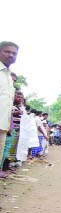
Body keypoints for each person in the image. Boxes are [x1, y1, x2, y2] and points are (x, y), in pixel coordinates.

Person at [0, 41, 19, 178]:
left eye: (14, 53)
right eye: (7, 51)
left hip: (3, 127)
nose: (11, 55)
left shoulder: (8, 76)